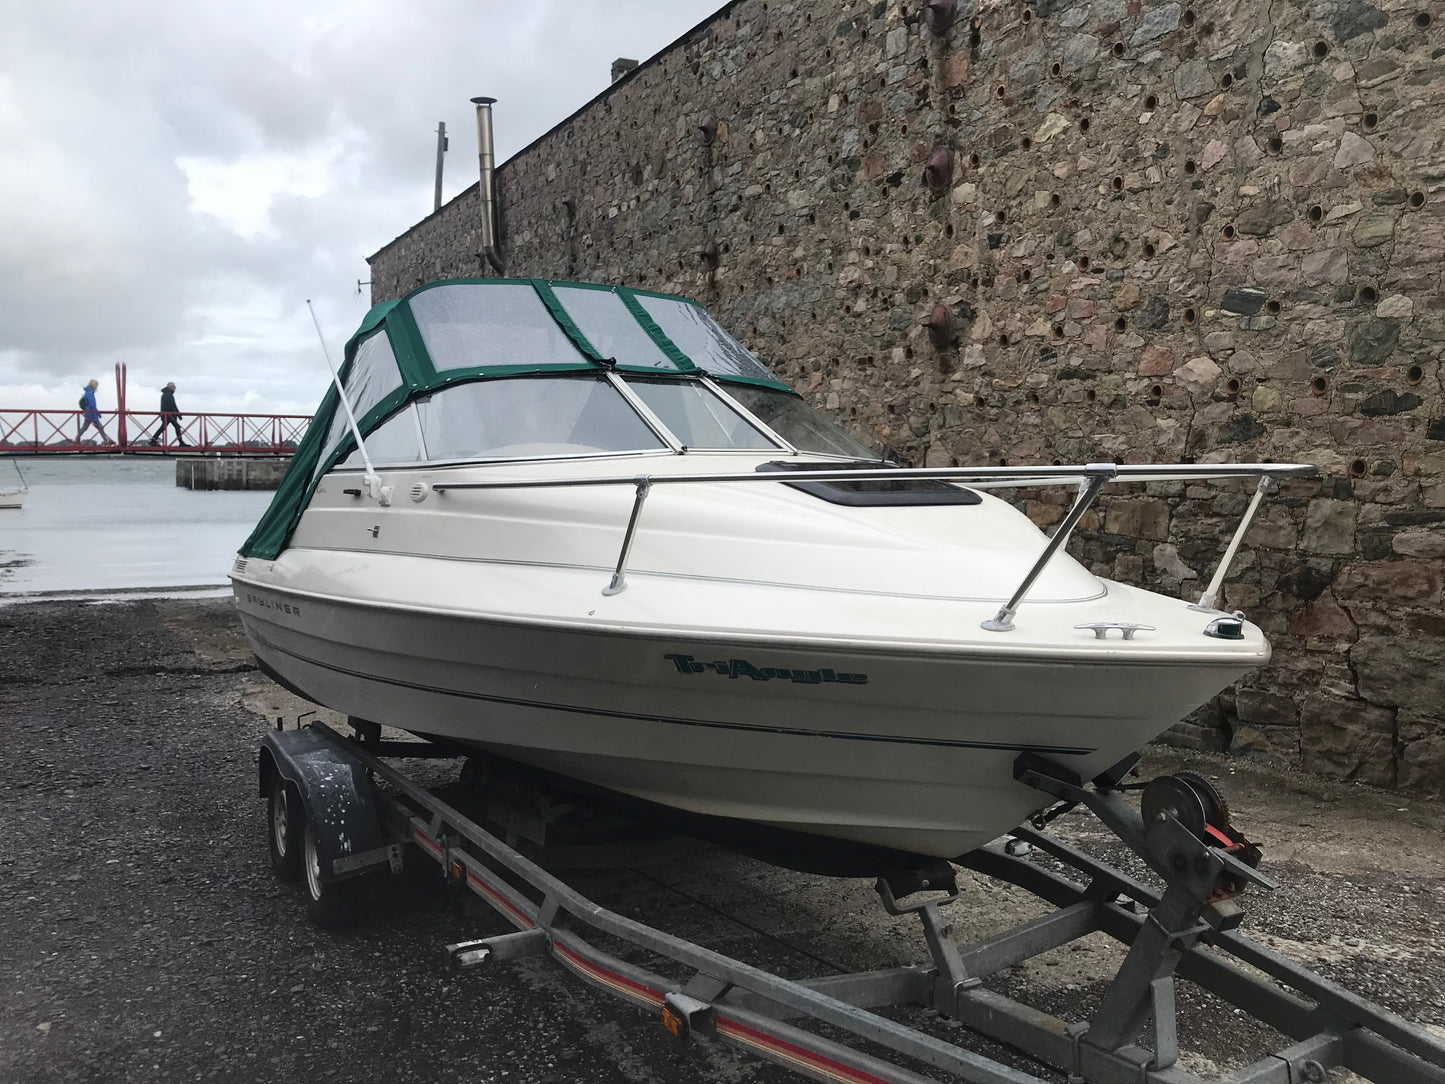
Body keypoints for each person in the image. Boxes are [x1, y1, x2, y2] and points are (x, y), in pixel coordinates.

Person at [149, 382, 187, 446]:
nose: (174, 389)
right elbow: (172, 405)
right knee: (177, 427)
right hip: (169, 415)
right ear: (171, 387)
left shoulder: (164, 394)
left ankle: (153, 440)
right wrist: (178, 414)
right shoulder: (169, 394)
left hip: (165, 415)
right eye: (174, 387)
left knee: (164, 427)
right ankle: (181, 442)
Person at [77, 379, 113, 444]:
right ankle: (106, 440)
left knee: (85, 427)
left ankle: (77, 439)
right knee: (100, 427)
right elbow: (92, 405)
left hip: (88, 413)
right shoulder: (90, 393)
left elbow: (91, 405)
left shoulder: (87, 392)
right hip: (91, 414)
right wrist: (97, 413)